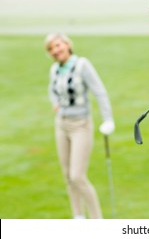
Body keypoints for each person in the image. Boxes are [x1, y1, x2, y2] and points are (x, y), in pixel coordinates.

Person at [45, 33, 115, 219]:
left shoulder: (82, 65)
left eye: (58, 45)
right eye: (51, 49)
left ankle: (96, 219)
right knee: (68, 176)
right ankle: (78, 216)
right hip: (61, 124)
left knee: (77, 176)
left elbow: (99, 92)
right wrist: (56, 102)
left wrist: (108, 119)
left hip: (81, 125)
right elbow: (52, 90)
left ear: (67, 45)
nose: (55, 51)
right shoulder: (54, 69)